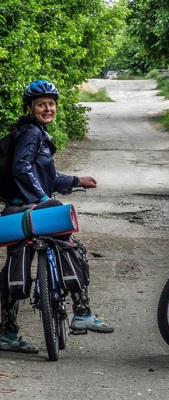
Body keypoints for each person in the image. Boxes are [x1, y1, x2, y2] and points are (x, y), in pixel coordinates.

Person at [0, 79, 113, 354]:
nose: (48, 108)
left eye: (51, 104)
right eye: (41, 104)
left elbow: (44, 176)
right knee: (70, 245)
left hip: (14, 210)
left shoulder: (29, 131)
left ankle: (8, 332)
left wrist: (76, 180)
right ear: (30, 107)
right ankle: (82, 311)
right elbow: (22, 168)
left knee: (15, 264)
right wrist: (40, 200)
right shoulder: (32, 132)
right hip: (31, 209)